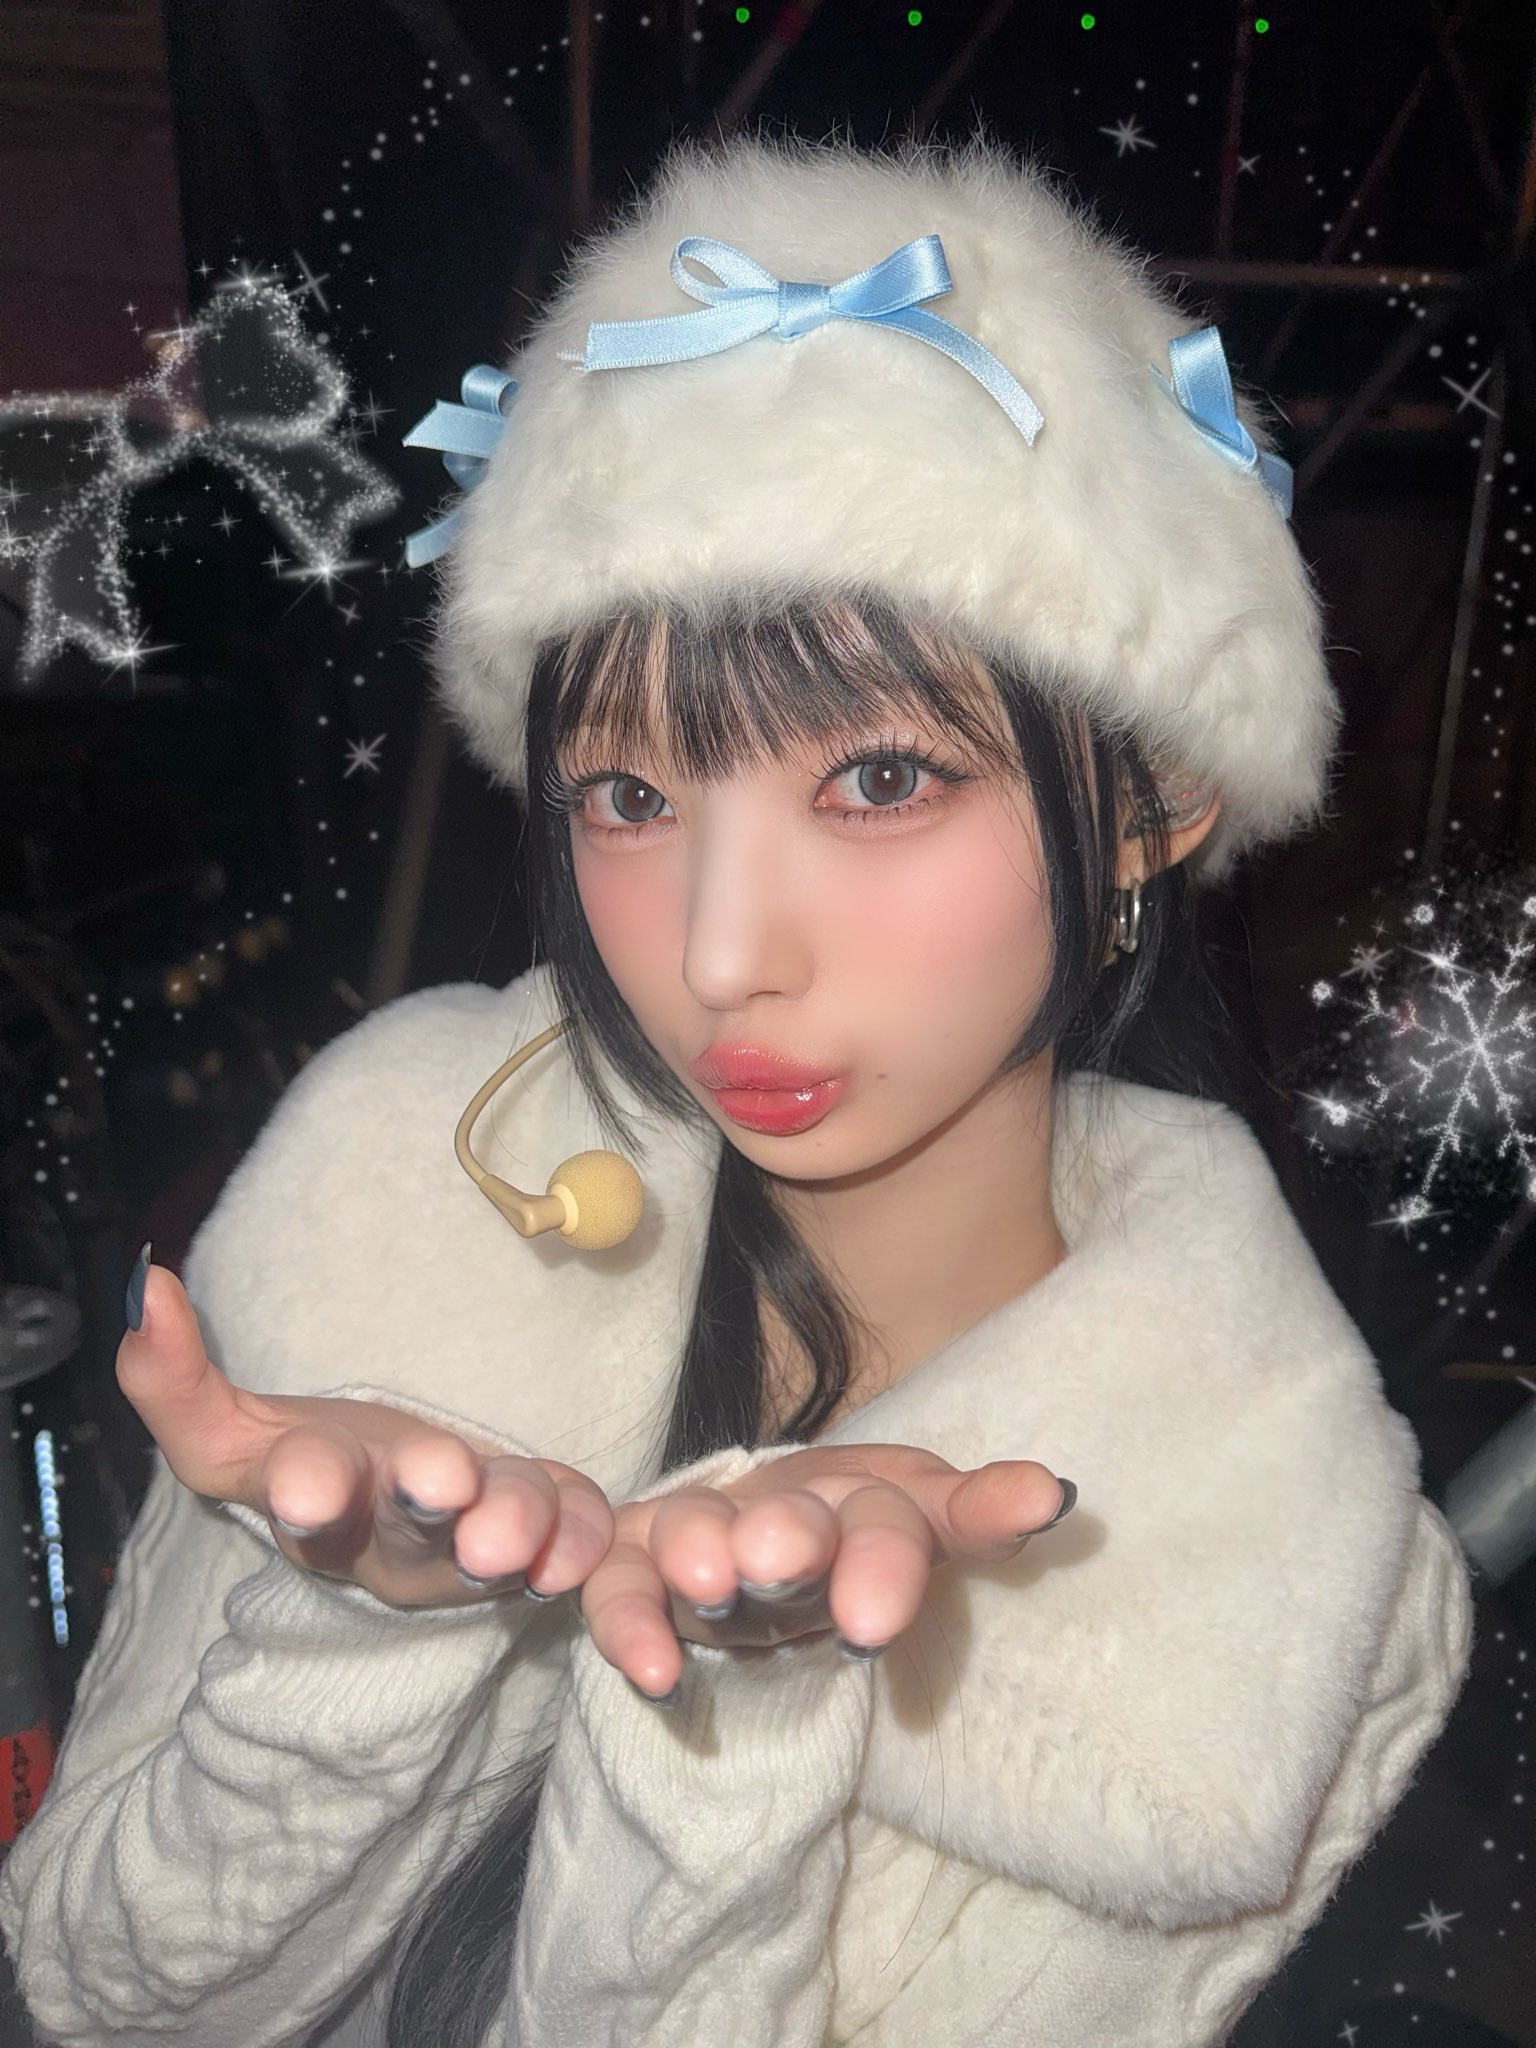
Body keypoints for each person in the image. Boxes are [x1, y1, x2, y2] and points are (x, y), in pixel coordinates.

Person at [0, 129, 1472, 2048]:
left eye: (879, 781)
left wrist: (727, 1731)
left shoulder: (1277, 1572)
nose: (716, 956)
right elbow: (88, 1996)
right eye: (629, 796)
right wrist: (354, 1635)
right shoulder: (403, 1195)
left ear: (1149, 802)